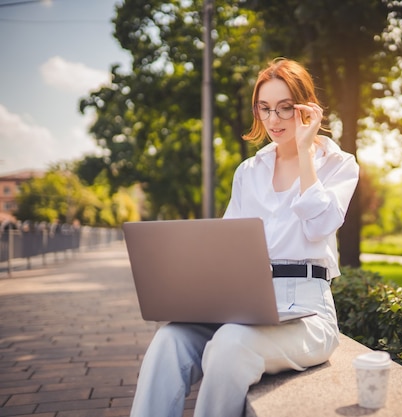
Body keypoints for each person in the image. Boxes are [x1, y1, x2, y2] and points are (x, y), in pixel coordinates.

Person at [129, 58, 359, 417]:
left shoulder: (339, 164)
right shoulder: (249, 171)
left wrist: (303, 150)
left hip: (307, 311)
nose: (273, 120)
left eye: (285, 108)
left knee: (230, 344)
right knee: (168, 340)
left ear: (306, 109)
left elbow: (319, 226)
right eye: (264, 108)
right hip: (245, 304)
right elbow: (226, 246)